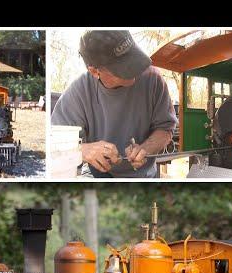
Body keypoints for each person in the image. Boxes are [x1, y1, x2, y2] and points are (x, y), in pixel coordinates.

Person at [51, 30, 177, 178]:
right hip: (100, 175)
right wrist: (82, 150)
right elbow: (55, 143)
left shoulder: (153, 79)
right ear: (94, 71)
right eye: (123, 67)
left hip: (144, 177)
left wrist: (146, 149)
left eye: (133, 60)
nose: (135, 70)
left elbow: (166, 129)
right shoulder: (79, 92)